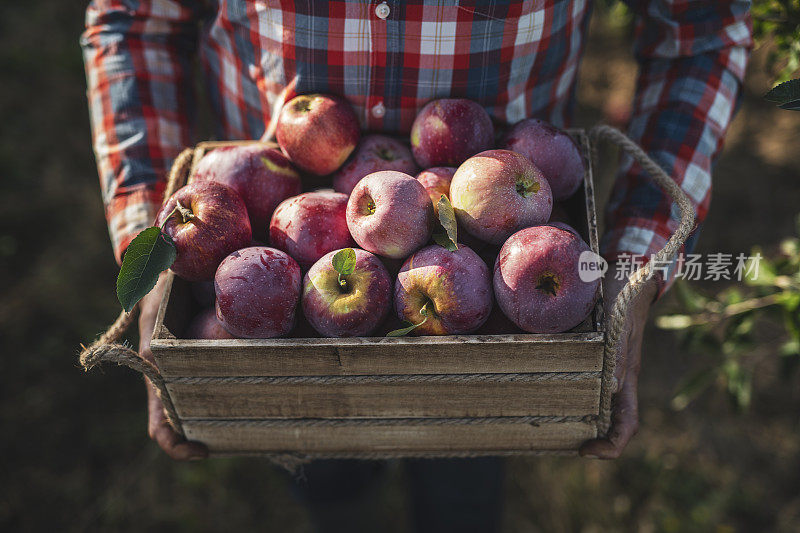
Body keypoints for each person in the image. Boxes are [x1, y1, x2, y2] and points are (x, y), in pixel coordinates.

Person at [81, 0, 752, 529]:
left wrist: (637, 259)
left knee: (466, 474)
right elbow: (135, 19)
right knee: (317, 466)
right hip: (268, 268)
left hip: (501, 300)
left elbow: (701, 29)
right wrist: (153, 256)